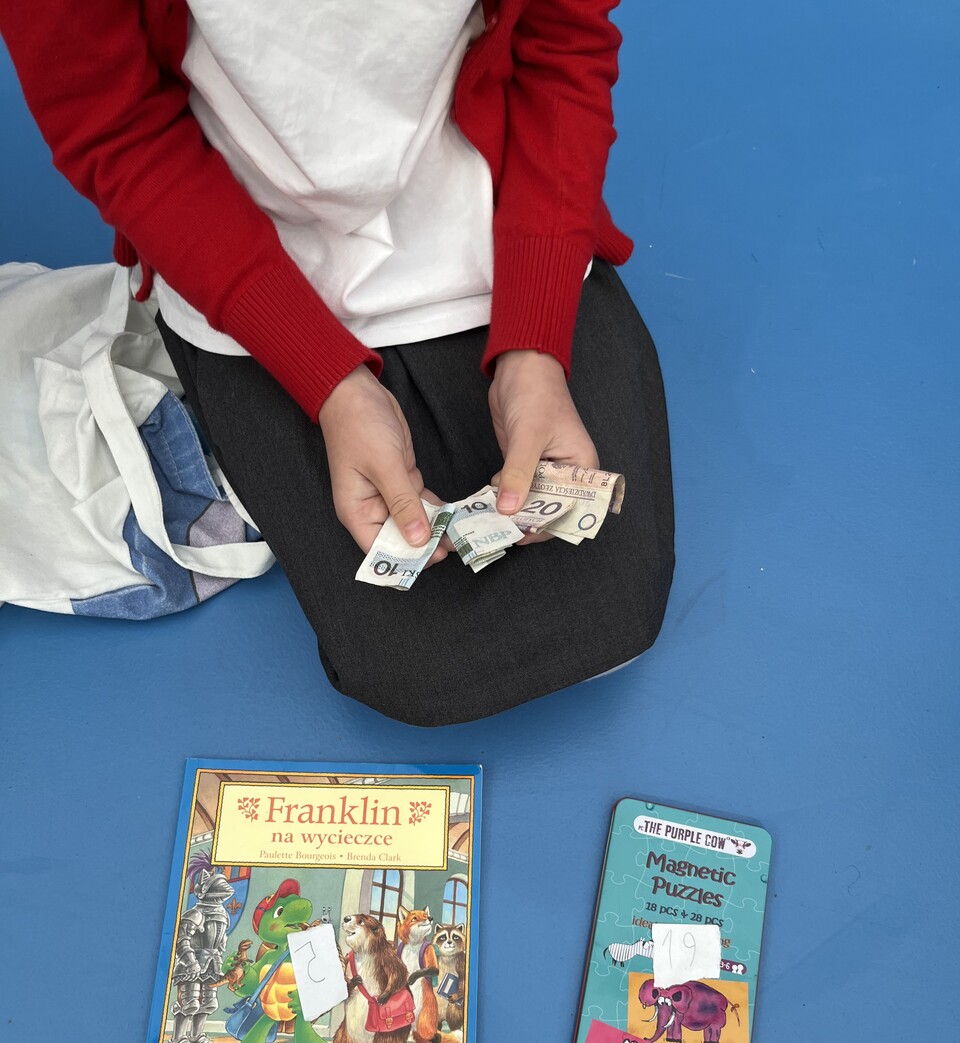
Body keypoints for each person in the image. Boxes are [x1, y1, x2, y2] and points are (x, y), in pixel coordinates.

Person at [1, 1, 674, 725]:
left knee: (612, 609)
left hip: (497, 214)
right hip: (246, 250)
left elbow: (563, 42)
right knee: (421, 669)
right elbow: (116, 129)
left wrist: (535, 344)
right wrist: (331, 385)